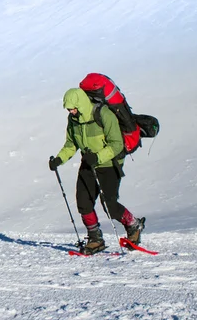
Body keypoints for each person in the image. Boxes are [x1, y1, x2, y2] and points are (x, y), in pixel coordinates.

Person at [49, 87, 145, 255]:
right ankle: (95, 239)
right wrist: (59, 159)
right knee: (83, 202)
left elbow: (116, 144)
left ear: (80, 104)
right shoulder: (74, 120)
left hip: (109, 164)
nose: (71, 111)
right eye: (69, 109)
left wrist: (99, 157)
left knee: (110, 205)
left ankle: (133, 225)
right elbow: (71, 144)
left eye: (73, 108)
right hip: (88, 163)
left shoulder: (104, 115)